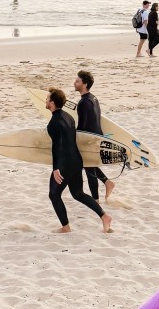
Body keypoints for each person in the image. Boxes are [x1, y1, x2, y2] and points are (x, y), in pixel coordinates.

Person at [45, 89, 112, 234]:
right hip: (76, 161)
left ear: (52, 103)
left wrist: (56, 168)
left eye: (47, 99)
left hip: (64, 164)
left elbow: (57, 146)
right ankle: (104, 216)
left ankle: (66, 227)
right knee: (77, 193)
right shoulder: (69, 117)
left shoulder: (54, 123)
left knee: (54, 194)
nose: (45, 100)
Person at [74, 70, 115, 203]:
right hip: (98, 136)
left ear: (84, 84)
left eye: (77, 81)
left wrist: (74, 140)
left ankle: (96, 200)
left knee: (89, 168)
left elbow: (82, 127)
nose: (75, 83)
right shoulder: (93, 98)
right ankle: (107, 182)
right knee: (89, 166)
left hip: (90, 139)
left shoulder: (83, 103)